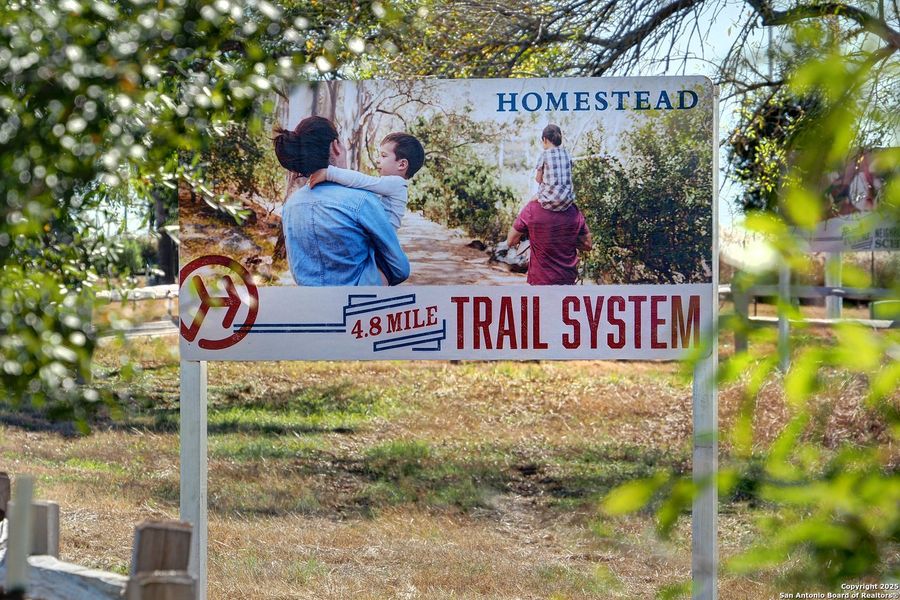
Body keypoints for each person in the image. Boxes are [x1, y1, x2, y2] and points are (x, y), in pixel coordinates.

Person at [274, 116, 410, 286]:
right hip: (356, 300)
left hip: (309, 300)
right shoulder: (362, 201)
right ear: (336, 146)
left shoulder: (291, 205)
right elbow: (400, 269)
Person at [307, 132, 426, 229]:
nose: (378, 160)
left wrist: (329, 173)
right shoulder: (392, 185)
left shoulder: (397, 183)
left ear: (402, 164)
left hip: (383, 241)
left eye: (383, 156)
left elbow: (362, 181)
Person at [533, 124, 575, 212]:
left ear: (545, 139)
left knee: (529, 205)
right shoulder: (567, 154)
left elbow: (538, 179)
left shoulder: (544, 155)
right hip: (567, 202)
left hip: (547, 201)